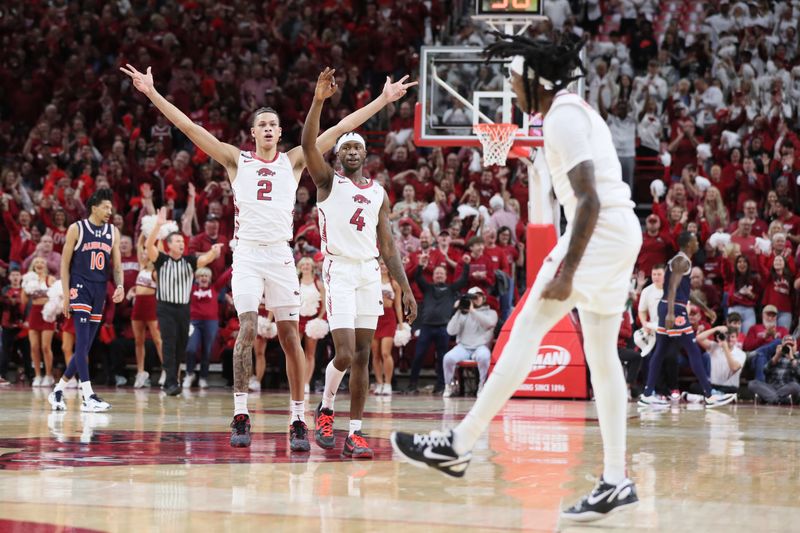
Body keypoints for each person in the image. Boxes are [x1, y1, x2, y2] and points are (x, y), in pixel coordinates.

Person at [392, 34, 642, 521]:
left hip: (599, 233)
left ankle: (458, 443)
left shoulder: (564, 117)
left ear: (534, 80)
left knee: (526, 329)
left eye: (512, 77)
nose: (509, 85)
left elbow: (588, 200)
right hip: (618, 235)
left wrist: (567, 271)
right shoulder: (573, 112)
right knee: (603, 358)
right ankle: (615, 479)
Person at [120, 62, 414, 450]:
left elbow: (339, 130)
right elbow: (190, 129)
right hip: (247, 256)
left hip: (280, 255)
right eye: (264, 124)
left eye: (275, 124)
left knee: (291, 337)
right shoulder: (234, 159)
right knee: (246, 328)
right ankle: (241, 414)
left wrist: (382, 99)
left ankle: (297, 420)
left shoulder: (293, 160)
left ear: (279, 131)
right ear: (254, 132)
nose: (270, 128)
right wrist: (152, 94)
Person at [302, 67, 417, 459]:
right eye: (345, 148)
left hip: (369, 271)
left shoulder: (379, 193)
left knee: (365, 356)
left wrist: (405, 288)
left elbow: (388, 246)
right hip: (338, 270)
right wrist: (319, 101)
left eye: (357, 148)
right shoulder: (327, 182)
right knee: (346, 353)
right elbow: (306, 145)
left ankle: (355, 432)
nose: (351, 152)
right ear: (338, 156)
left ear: (365, 155)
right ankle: (326, 407)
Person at [48, 189, 125, 412]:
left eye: (111, 208)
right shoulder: (77, 228)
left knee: (86, 346)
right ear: (94, 207)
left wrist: (120, 286)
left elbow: (117, 267)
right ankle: (88, 396)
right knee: (82, 344)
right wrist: (65, 294)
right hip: (80, 287)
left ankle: (57, 391)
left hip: (99, 290)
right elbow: (64, 265)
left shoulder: (113, 232)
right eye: (106, 207)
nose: (110, 211)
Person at [639, 232, 736, 408]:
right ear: (689, 243)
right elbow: (672, 288)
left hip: (671, 306)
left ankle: (647, 394)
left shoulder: (681, 261)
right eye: (695, 240)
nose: (698, 242)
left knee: (660, 350)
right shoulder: (681, 260)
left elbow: (685, 291)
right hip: (674, 308)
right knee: (693, 350)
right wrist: (670, 313)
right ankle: (709, 395)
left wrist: (705, 309)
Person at [145, 207, 222, 396]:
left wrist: (214, 251)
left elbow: (205, 259)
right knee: (169, 343)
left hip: (183, 308)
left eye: (182, 241)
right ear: (169, 244)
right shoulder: (161, 260)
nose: (181, 243)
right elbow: (148, 246)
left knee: (181, 345)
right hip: (165, 307)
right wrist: (158, 226)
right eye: (177, 241)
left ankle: (173, 379)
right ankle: (170, 382)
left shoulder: (189, 261)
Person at [406, 257, 471, 393]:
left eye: (442, 273)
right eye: (437, 273)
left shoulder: (451, 289)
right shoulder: (428, 288)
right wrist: (420, 266)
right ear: (433, 276)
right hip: (427, 327)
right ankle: (412, 385)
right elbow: (418, 278)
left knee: (442, 357)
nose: (439, 275)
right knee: (418, 355)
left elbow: (463, 280)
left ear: (446, 276)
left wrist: (465, 264)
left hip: (443, 328)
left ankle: (441, 386)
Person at [442, 287, 498, 397]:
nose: (476, 299)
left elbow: (489, 324)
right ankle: (449, 385)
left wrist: (473, 311)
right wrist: (458, 311)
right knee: (448, 358)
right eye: (473, 297)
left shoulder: (491, 312)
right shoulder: (463, 314)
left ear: (483, 298)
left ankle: (482, 385)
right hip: (463, 347)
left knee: (484, 357)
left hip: (481, 347)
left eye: (478, 296)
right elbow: (450, 331)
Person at [184, 266, 231, 389]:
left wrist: (235, 263)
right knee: (191, 348)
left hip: (211, 323)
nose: (203, 278)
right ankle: (189, 373)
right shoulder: (191, 289)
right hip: (194, 323)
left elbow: (225, 277)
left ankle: (203, 378)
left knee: (207, 351)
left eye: (206, 276)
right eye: (201, 276)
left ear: (210, 279)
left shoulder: (215, 288)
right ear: (197, 278)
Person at [131, 234, 163, 389]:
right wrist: (145, 232)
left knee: (157, 339)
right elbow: (138, 246)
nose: (143, 254)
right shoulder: (141, 267)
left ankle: (166, 370)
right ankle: (140, 372)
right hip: (138, 305)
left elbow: (161, 252)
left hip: (151, 304)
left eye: (146, 252)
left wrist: (160, 235)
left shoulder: (156, 271)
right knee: (138, 341)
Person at [23, 257, 56, 387]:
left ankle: (49, 375)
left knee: (45, 347)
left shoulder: (51, 279)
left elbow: (57, 297)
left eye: (42, 262)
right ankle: (37, 375)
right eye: (36, 262)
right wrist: (25, 286)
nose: (39, 264)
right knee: (34, 347)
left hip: (47, 313)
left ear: (46, 266)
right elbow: (24, 301)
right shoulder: (30, 279)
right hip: (34, 312)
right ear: (33, 265)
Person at [371, 261, 403, 396]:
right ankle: (379, 383)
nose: (384, 266)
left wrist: (401, 323)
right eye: (381, 264)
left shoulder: (394, 283)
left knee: (385, 353)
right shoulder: (372, 282)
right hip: (374, 317)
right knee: (376, 354)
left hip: (389, 317)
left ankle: (388, 383)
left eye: (386, 264)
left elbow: (398, 306)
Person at [297, 257, 325, 395]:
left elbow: (324, 305)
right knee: (296, 352)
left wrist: (318, 320)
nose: (306, 266)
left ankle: (306, 383)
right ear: (300, 267)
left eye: (309, 264)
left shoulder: (318, 283)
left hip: (312, 320)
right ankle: (297, 381)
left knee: (310, 353)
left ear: (312, 267)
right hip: (298, 320)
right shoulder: (295, 283)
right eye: (304, 264)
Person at [747, 336, 800, 404]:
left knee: (796, 386)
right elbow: (765, 371)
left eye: (791, 345)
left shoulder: (798, 358)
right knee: (752, 383)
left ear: (796, 346)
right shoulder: (776, 357)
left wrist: (791, 358)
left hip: (787, 387)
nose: (789, 347)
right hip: (771, 388)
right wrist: (776, 356)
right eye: (786, 345)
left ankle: (771, 399)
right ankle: (779, 400)